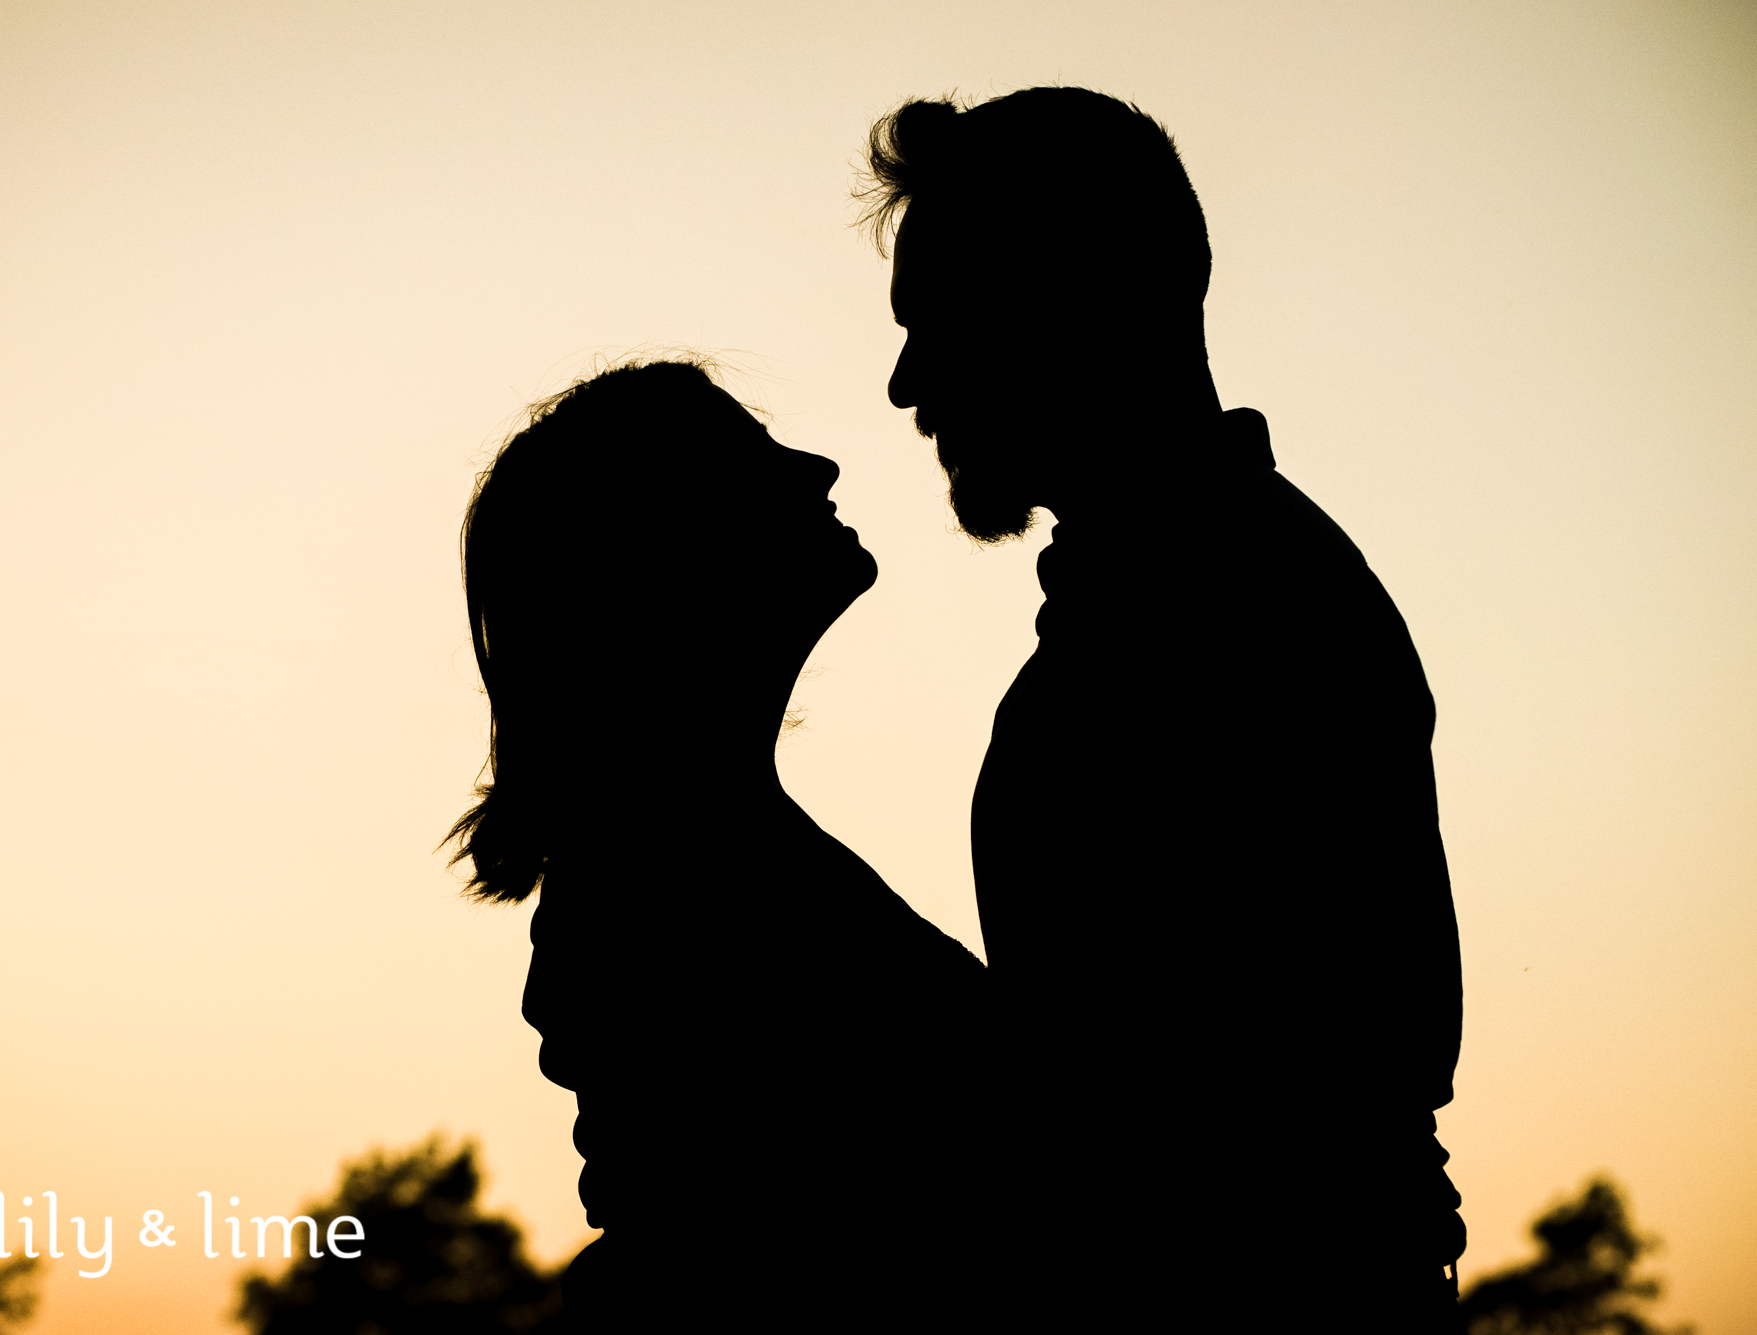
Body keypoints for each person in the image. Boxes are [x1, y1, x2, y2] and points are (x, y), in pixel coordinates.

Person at [860, 88, 1466, 1329]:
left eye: (939, 322)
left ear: (1074, 300)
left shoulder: (1236, 615)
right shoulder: (1188, 603)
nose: (904, 382)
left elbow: (1195, 1125)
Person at [445, 359, 992, 1332]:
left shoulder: (702, 847)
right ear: (669, 554)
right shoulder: (677, 881)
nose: (817, 467)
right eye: (755, 461)